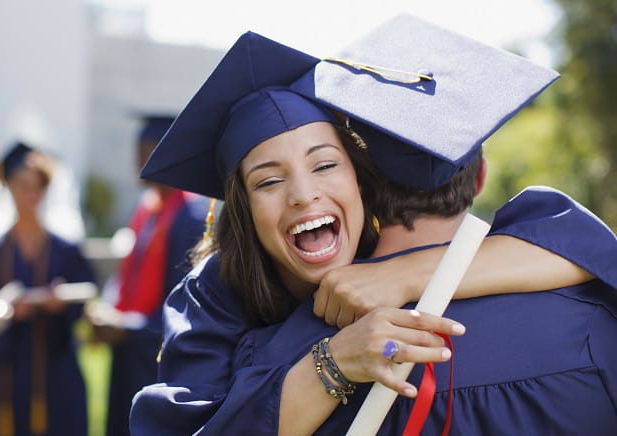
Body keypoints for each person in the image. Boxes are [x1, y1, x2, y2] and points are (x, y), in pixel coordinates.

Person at [129, 28, 609, 435]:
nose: (302, 195)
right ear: (242, 207)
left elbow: (583, 247)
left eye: (325, 164)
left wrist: (402, 274)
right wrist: (332, 364)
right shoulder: (219, 300)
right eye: (268, 181)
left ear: (362, 183)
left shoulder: (366, 279)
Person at [86, 115, 208, 436]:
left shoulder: (190, 218)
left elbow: (186, 306)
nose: (137, 159)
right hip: (129, 353)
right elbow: (129, 277)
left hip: (157, 361)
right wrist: (110, 312)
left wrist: (127, 327)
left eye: (147, 149)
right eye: (138, 149)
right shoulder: (147, 210)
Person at [0, 142, 96, 436]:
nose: (31, 195)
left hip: (55, 369)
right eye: (23, 185)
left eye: (38, 187)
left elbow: (86, 294)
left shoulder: (66, 251)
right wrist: (0, 311)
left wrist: (62, 303)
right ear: (8, 187)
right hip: (5, 371)